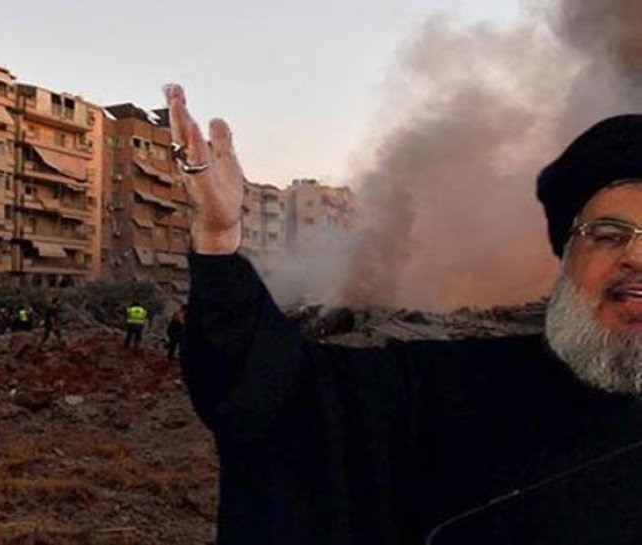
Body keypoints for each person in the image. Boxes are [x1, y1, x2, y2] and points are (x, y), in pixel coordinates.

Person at [167, 83, 642, 545]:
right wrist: (218, 241)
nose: (636, 257)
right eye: (609, 233)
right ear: (566, 255)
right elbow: (277, 392)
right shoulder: (459, 392)